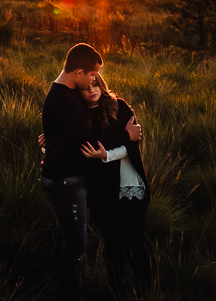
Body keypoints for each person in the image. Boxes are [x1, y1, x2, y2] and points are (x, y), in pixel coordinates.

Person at [40, 43, 141, 301]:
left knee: (65, 240)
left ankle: (59, 287)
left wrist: (52, 140)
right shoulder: (65, 99)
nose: (94, 80)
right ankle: (68, 294)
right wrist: (126, 136)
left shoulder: (67, 92)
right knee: (74, 246)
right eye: (91, 75)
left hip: (68, 179)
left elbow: (69, 133)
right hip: (65, 183)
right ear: (78, 72)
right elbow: (88, 142)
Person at [79, 74, 152, 298]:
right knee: (112, 244)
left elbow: (133, 143)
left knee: (135, 242)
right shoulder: (79, 115)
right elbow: (83, 148)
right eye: (86, 87)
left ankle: (147, 290)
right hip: (102, 190)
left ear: (101, 83)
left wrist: (106, 155)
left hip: (131, 185)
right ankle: (118, 292)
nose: (92, 90)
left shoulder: (119, 106)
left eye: (95, 84)